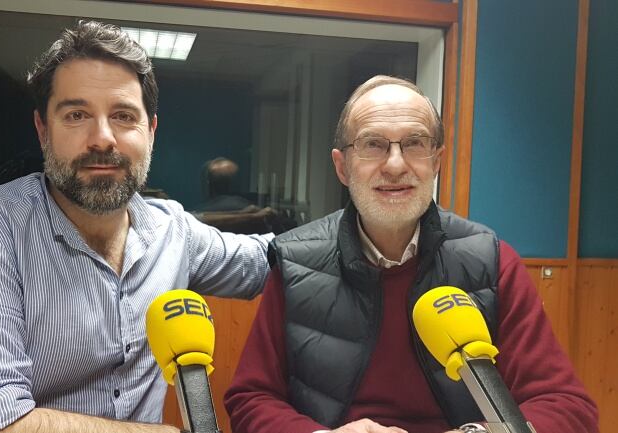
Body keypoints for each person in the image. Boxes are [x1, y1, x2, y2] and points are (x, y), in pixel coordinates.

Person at [0, 21, 272, 433]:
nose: (102, 138)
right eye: (76, 114)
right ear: (43, 130)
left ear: (151, 131)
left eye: (123, 116)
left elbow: (272, 260)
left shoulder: (173, 230)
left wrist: (363, 211)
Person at [223, 76, 598, 433]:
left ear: (436, 161)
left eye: (416, 143)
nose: (396, 164)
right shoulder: (294, 263)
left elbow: (567, 407)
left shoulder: (493, 262)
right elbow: (251, 398)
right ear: (342, 166)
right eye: (373, 144)